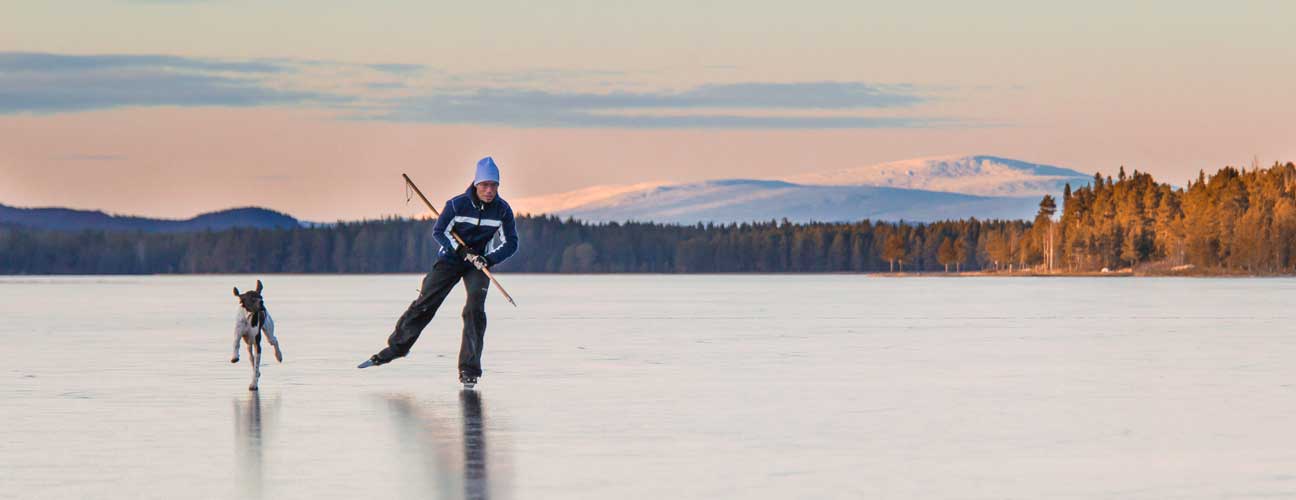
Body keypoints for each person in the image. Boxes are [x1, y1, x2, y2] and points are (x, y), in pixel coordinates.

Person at [358, 157, 519, 388]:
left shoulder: (502, 210)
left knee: (474, 310)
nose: (489, 190)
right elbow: (439, 232)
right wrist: (460, 250)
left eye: (494, 185)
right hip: (451, 259)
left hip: (479, 264)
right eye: (485, 185)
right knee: (426, 303)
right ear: (476, 184)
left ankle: (469, 370)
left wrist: (488, 258)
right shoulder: (456, 205)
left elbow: (512, 243)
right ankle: (396, 348)